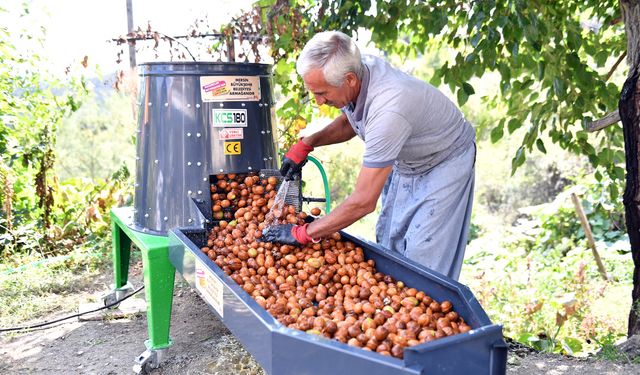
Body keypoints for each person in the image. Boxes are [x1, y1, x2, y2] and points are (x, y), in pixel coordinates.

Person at [262, 31, 476, 280]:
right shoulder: (358, 70)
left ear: (350, 80)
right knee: (390, 241)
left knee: (425, 259)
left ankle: (426, 314)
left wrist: (304, 233)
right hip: (407, 159)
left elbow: (363, 201)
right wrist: (308, 143)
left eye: (322, 93)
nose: (318, 102)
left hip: (444, 161)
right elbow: (351, 121)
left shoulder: (389, 110)